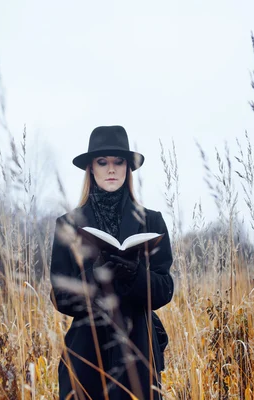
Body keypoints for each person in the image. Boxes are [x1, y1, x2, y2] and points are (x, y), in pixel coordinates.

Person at [49, 125, 174, 400]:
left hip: (137, 351)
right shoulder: (68, 225)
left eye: (119, 162)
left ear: (128, 168)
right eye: (102, 162)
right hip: (86, 355)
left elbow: (165, 289)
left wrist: (135, 275)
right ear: (91, 168)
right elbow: (60, 298)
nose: (111, 169)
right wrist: (95, 277)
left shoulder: (152, 221)